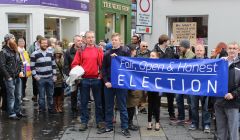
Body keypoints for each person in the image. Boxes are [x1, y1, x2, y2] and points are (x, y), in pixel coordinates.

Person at [98, 33, 131, 137]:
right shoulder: (107, 53)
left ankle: (125, 127)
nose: (114, 41)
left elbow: (129, 66)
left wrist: (119, 58)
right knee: (108, 106)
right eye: (113, 40)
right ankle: (109, 126)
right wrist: (106, 81)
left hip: (121, 84)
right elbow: (103, 69)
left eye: (116, 40)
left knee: (122, 106)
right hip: (109, 84)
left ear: (120, 41)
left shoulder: (125, 51)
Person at [71, 31, 104, 131]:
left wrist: (101, 75)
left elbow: (102, 65)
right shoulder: (80, 50)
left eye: (92, 37)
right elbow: (74, 64)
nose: (91, 39)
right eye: (89, 37)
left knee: (98, 102)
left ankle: (99, 121)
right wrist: (78, 72)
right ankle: (84, 122)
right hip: (84, 79)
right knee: (84, 102)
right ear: (85, 39)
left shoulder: (99, 49)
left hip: (96, 79)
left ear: (95, 38)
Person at [215, 42, 240, 140]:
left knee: (233, 132)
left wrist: (233, 94)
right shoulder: (221, 62)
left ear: (238, 51)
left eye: (234, 48)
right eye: (230, 48)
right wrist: (218, 62)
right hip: (219, 102)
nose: (232, 50)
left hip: (233, 103)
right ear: (227, 50)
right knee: (221, 131)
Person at [0, 33, 25, 120]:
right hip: (9, 78)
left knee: (18, 96)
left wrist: (22, 71)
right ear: (8, 40)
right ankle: (12, 113)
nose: (14, 40)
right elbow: (2, 66)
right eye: (13, 38)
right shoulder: (3, 52)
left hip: (18, 76)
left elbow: (21, 63)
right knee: (11, 96)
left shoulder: (16, 50)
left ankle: (18, 111)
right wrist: (8, 77)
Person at [171, 39, 195, 125]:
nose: (179, 48)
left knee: (190, 101)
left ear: (185, 46)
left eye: (180, 46)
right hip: (180, 81)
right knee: (178, 98)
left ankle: (191, 118)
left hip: (188, 82)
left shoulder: (192, 56)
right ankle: (181, 117)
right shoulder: (182, 55)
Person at [153, 34, 177, 120]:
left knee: (170, 96)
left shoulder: (170, 50)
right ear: (164, 42)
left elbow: (174, 59)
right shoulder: (155, 50)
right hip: (159, 77)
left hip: (168, 76)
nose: (169, 42)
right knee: (157, 96)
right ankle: (156, 113)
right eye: (168, 41)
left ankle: (171, 113)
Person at [30, 37, 57, 113]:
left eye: (46, 43)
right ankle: (42, 110)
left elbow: (53, 64)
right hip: (40, 78)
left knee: (50, 95)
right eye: (43, 43)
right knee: (41, 96)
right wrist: (36, 77)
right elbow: (32, 67)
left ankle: (50, 109)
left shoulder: (50, 53)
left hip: (50, 78)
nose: (45, 44)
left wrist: (54, 75)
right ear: (39, 44)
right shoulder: (34, 54)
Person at [188, 44, 211, 133]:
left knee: (206, 107)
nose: (199, 52)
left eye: (201, 50)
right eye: (197, 50)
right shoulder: (190, 62)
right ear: (195, 51)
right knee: (193, 107)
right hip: (193, 88)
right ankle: (194, 123)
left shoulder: (209, 61)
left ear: (204, 51)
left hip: (205, 88)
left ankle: (206, 124)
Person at [64, 35, 83, 116]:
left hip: (82, 76)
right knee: (73, 94)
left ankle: (82, 109)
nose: (80, 42)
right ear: (74, 41)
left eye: (81, 40)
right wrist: (70, 75)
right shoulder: (68, 51)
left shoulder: (83, 50)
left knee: (83, 93)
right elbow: (66, 65)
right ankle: (74, 110)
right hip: (73, 77)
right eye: (78, 40)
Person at [147, 51, 161, 131]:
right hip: (149, 87)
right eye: (150, 55)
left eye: (153, 56)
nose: (151, 57)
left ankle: (157, 123)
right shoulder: (147, 65)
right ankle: (149, 122)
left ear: (157, 57)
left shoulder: (160, 65)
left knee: (157, 105)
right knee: (150, 105)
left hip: (158, 88)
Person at [28, 35, 43, 102]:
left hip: (41, 66)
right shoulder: (32, 46)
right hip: (34, 65)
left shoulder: (42, 45)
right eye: (39, 41)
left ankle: (41, 94)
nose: (40, 42)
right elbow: (29, 53)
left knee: (41, 81)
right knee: (34, 82)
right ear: (37, 40)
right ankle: (35, 95)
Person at [53, 46, 64, 113]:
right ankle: (55, 106)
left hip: (60, 78)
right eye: (56, 53)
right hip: (54, 78)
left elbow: (62, 67)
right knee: (54, 94)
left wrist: (59, 61)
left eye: (59, 53)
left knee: (59, 94)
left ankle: (59, 106)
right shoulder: (52, 59)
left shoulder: (62, 59)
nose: (58, 54)